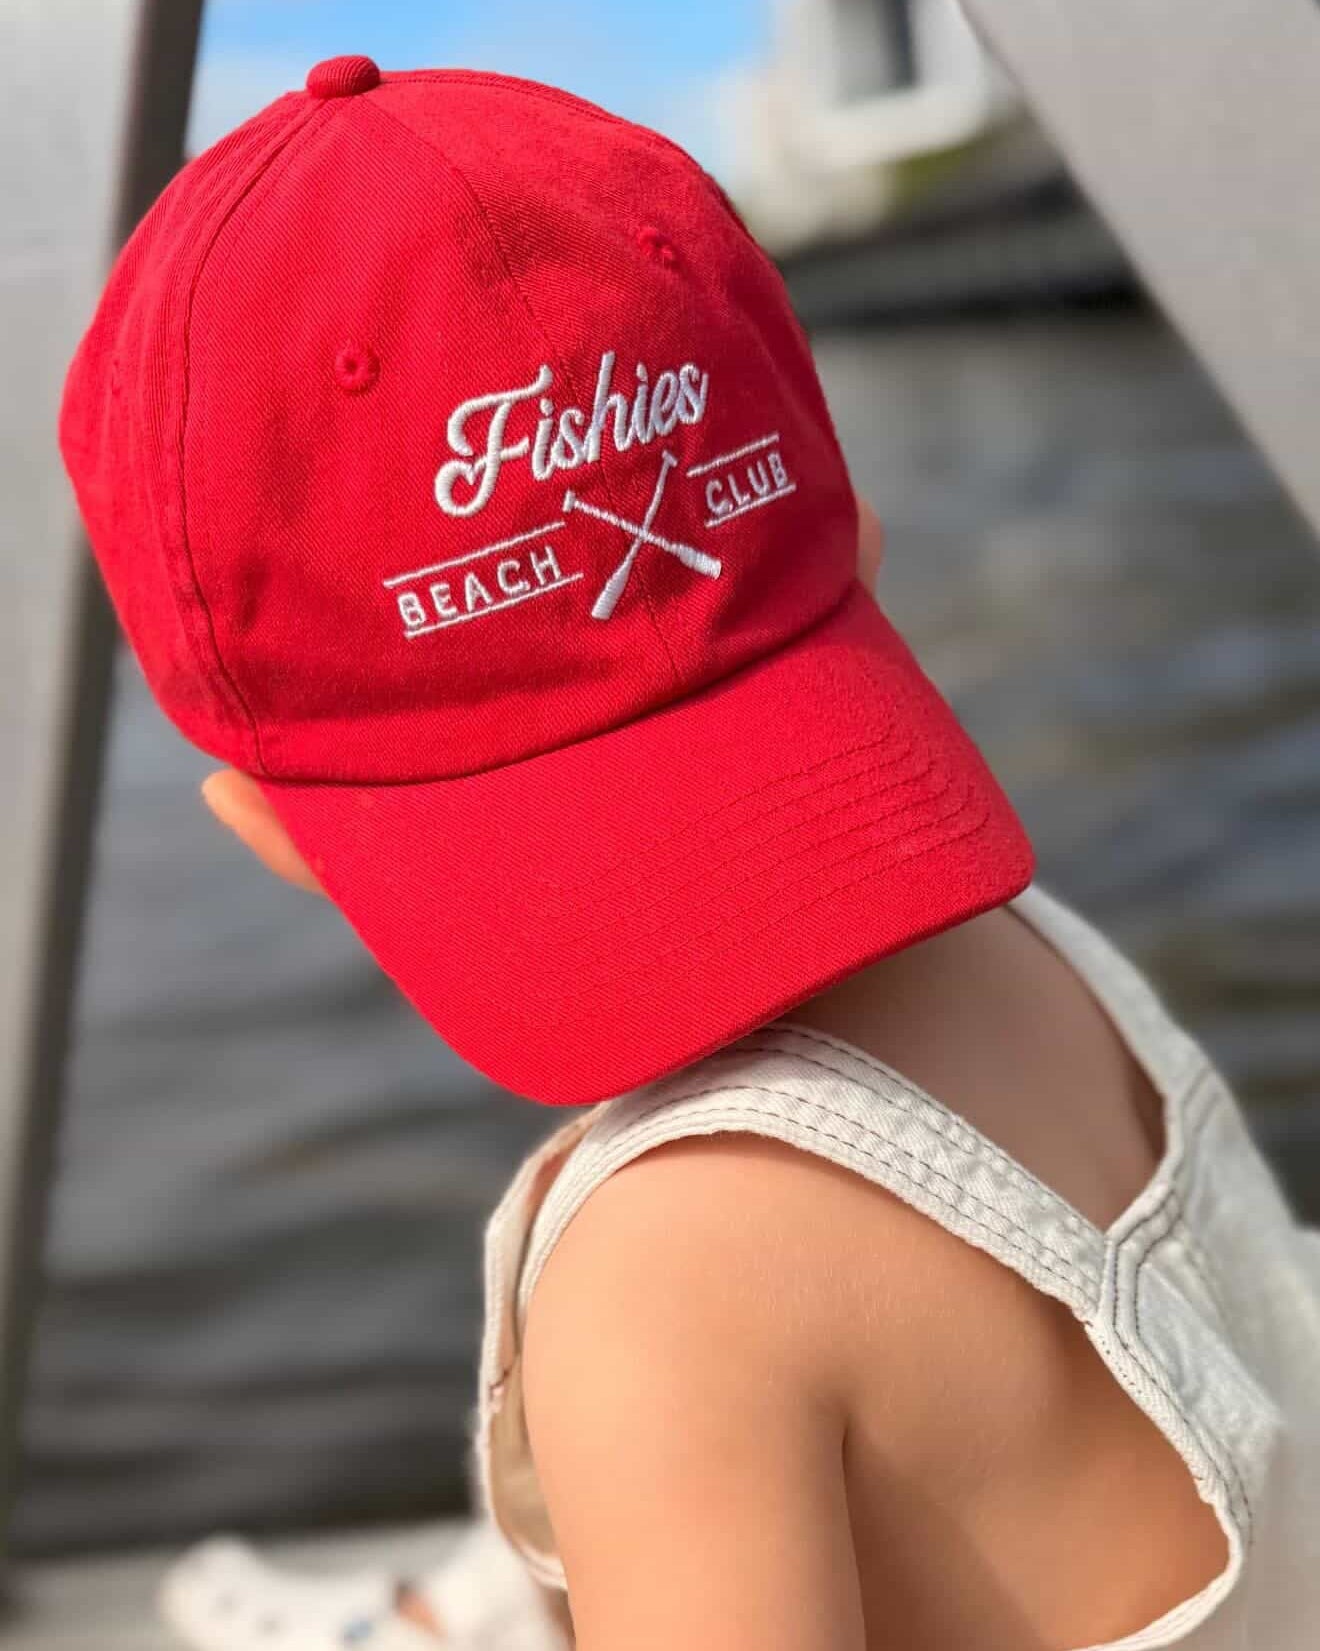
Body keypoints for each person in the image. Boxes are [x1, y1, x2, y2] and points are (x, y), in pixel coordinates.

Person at [59, 55, 1320, 1651]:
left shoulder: (666, 1284)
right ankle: (450, 1613)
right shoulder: (1047, 957)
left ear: (259, 817)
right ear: (852, 552)